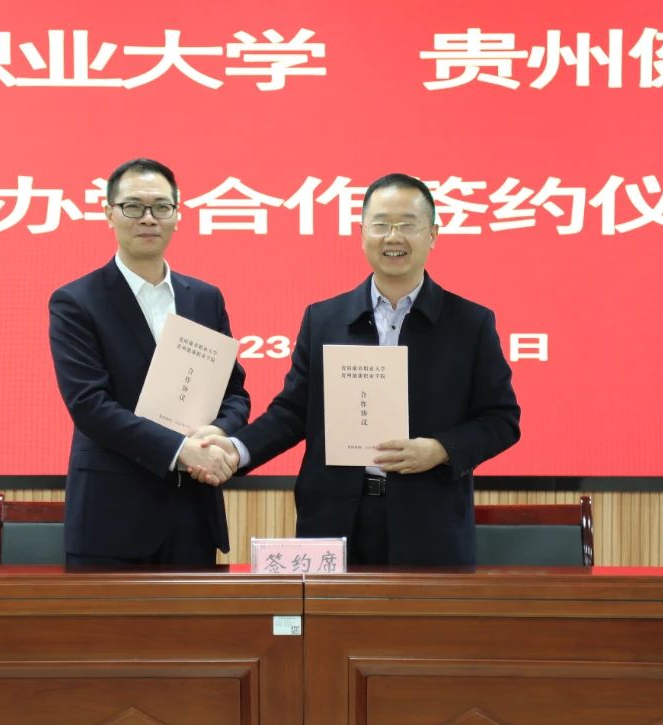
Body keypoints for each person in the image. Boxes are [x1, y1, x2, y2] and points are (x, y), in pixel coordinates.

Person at [195, 173, 519, 565]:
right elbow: (292, 413)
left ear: (432, 234)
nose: (393, 237)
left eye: (407, 225)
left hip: (429, 525)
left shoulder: (470, 324)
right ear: (362, 233)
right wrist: (237, 449)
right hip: (333, 519)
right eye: (381, 224)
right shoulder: (324, 320)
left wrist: (440, 450)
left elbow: (501, 419)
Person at [49, 158, 247, 567]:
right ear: (109, 213)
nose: (148, 218)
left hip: (193, 514)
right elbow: (89, 405)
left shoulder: (205, 298)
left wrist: (217, 433)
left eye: (161, 207)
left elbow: (234, 394)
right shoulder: (77, 301)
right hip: (112, 519)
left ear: (177, 215)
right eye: (133, 207)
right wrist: (181, 450)